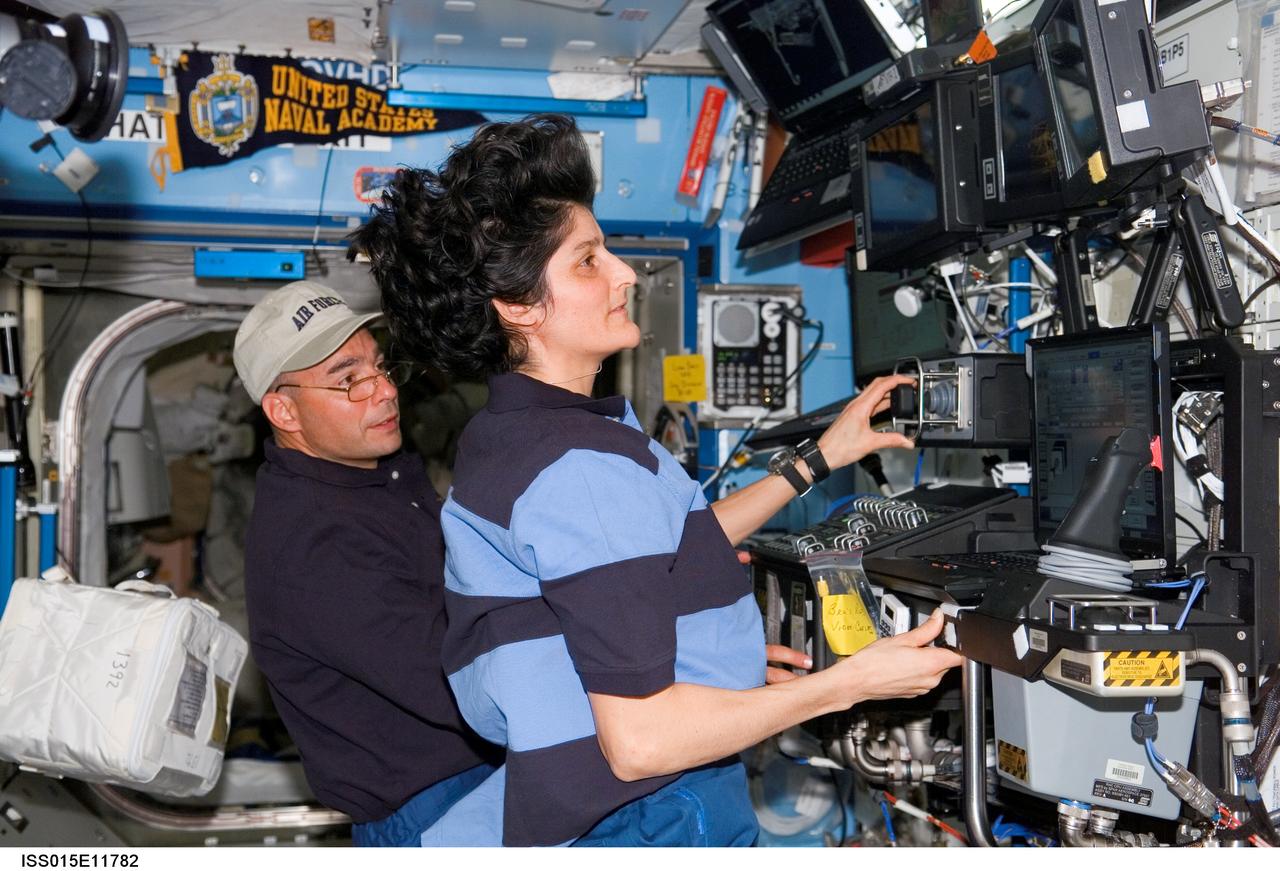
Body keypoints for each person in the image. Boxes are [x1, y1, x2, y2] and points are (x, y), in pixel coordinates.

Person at [353, 115, 963, 847]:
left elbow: (667, 547)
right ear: (519, 308)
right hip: (655, 815)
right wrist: (849, 683)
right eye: (587, 261)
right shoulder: (575, 467)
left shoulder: (515, 435)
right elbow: (641, 740)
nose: (625, 273)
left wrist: (817, 459)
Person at [234, 281, 499, 846]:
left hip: (479, 779)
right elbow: (462, 684)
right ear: (284, 410)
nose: (383, 391)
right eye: (348, 380)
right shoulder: (313, 546)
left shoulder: (376, 471)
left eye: (379, 367)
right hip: (434, 810)